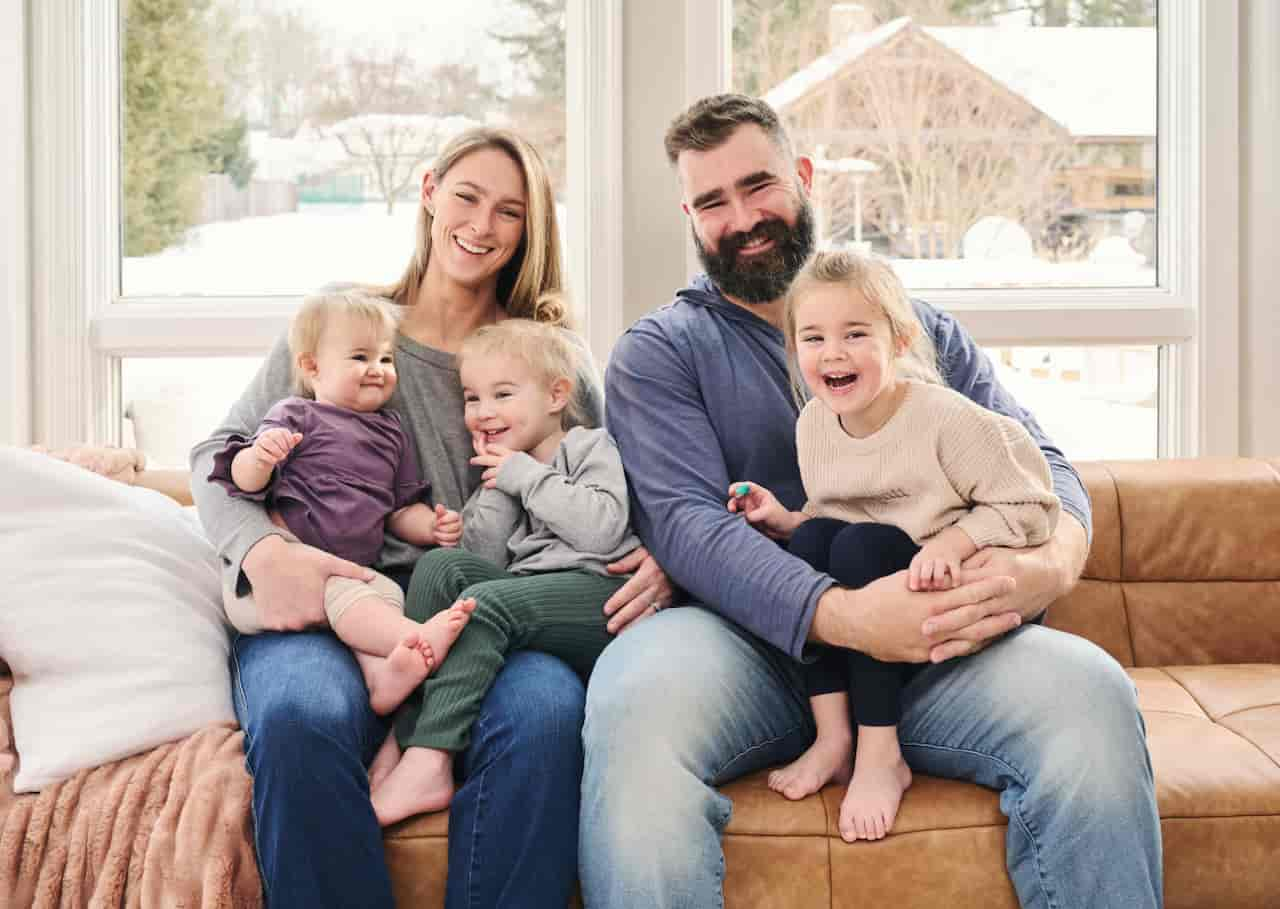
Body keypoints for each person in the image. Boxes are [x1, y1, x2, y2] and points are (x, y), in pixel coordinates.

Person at [588, 94, 1161, 908]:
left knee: (1093, 697)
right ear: (690, 214)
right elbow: (687, 525)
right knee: (632, 705)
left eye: (761, 186)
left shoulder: (914, 327)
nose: (743, 218)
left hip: (936, 646)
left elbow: (1042, 463)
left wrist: (1054, 562)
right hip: (741, 648)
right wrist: (847, 618)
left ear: (806, 177)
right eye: (713, 202)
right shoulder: (662, 353)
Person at [190, 127, 673, 909]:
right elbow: (217, 455)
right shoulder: (345, 329)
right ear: (428, 193)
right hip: (334, 602)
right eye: (467, 197)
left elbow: (631, 488)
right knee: (295, 715)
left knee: (545, 716)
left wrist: (664, 555)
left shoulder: (552, 359)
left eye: (509, 213)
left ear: (530, 231)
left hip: (489, 610)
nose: (482, 226)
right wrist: (261, 551)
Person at [727, 249, 1060, 842]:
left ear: (900, 340)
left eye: (856, 334)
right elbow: (838, 516)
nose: (833, 353)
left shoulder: (945, 420)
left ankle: (883, 754)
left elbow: (1032, 505)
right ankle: (835, 737)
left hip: (949, 599)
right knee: (814, 545)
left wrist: (957, 541)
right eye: (814, 337)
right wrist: (786, 521)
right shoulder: (814, 424)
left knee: (856, 550)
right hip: (881, 583)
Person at [370, 319, 641, 827]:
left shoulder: (587, 447)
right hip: (529, 595)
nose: (484, 411)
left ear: (557, 394)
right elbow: (487, 563)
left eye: (503, 394)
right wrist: (495, 491)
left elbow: (604, 529)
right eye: (473, 398)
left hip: (599, 594)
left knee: (483, 606)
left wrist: (525, 476)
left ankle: (431, 760)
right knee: (438, 567)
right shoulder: (502, 472)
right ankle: (402, 737)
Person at [208, 290, 475, 717]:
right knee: (351, 598)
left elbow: (398, 510)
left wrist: (430, 527)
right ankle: (417, 638)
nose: (377, 370)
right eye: (360, 358)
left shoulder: (390, 432)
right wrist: (259, 457)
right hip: (282, 579)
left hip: (349, 577)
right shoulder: (295, 415)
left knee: (382, 593)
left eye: (386, 359)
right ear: (312, 367)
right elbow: (239, 478)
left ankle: (381, 676)